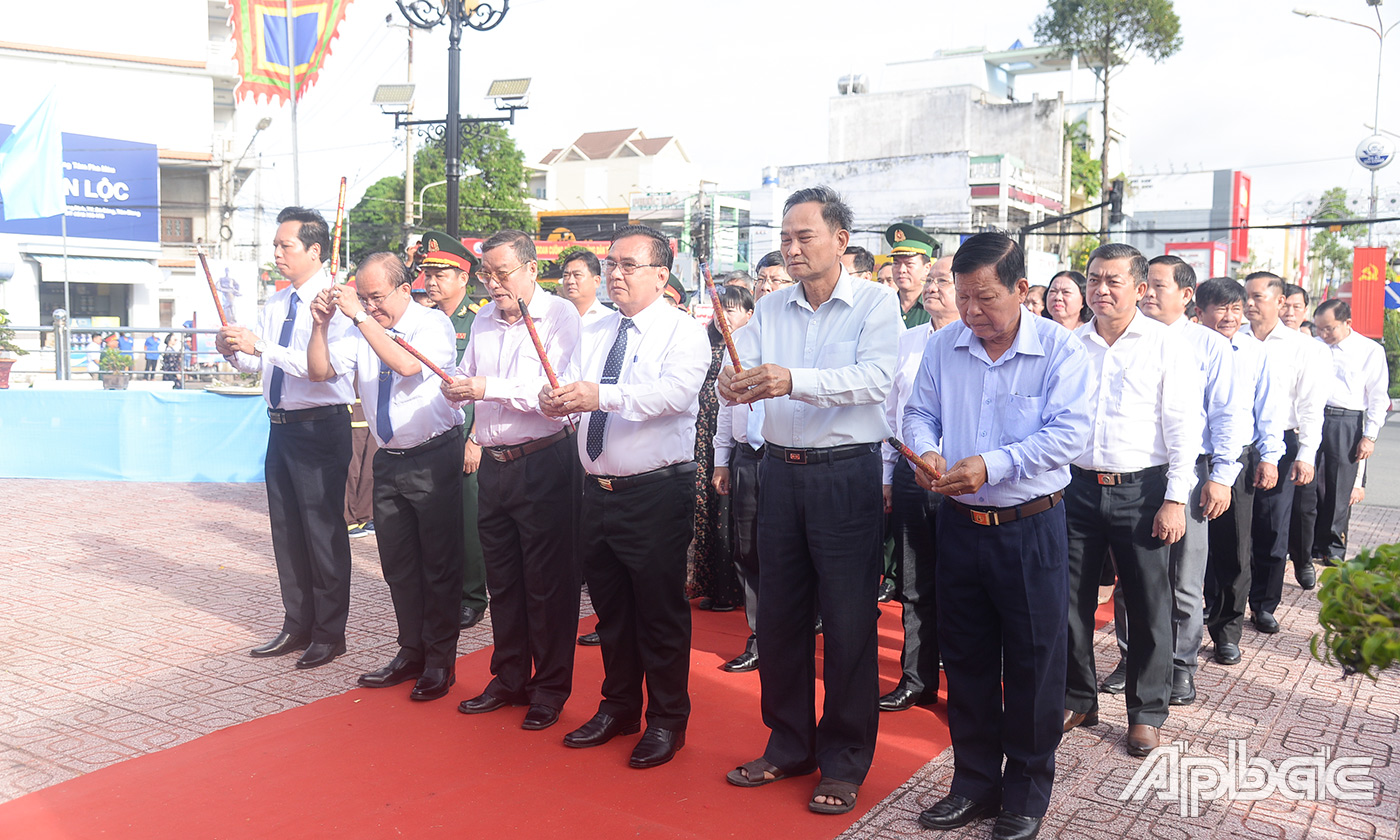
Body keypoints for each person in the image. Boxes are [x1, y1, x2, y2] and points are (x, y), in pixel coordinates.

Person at [720, 186, 900, 815]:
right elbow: (748, 374)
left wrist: (795, 380)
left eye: (805, 237)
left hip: (845, 474)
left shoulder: (876, 305)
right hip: (779, 472)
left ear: (840, 240)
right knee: (780, 615)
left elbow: (878, 379)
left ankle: (846, 757)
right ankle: (789, 741)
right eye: (786, 238)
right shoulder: (770, 307)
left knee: (850, 621)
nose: (791, 249)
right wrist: (733, 382)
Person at [905, 233, 1091, 840]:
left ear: (1021, 290)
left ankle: (1026, 793)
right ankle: (974, 783)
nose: (972, 313)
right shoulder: (942, 346)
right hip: (960, 526)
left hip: (1030, 525)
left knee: (1036, 664)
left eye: (985, 298)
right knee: (967, 659)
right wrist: (927, 452)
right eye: (962, 299)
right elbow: (920, 412)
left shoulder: (1062, 352)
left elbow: (1068, 436)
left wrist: (993, 464)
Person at [541, 223, 710, 768]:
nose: (615, 274)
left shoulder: (681, 331)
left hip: (655, 492)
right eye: (611, 263)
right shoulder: (596, 331)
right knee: (610, 611)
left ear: (662, 275)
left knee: (658, 613)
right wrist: (560, 398)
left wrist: (600, 395)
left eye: (628, 265)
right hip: (597, 489)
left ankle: (666, 720)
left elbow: (675, 394)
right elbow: (577, 386)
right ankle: (617, 706)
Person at [1063, 243, 1201, 759]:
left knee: (1147, 605)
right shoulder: (1071, 344)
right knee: (1070, 602)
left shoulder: (1165, 345)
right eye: (1094, 279)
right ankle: (1078, 698)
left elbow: (1185, 426)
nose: (1100, 289)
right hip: (1075, 488)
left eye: (1113, 280)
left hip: (1142, 491)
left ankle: (1146, 713)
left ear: (1140, 289)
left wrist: (1174, 499)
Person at [307, 253, 465, 700]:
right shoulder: (360, 326)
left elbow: (407, 365)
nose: (371, 304)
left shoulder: (428, 324)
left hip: (433, 455)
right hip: (389, 459)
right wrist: (321, 324)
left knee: (439, 564)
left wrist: (359, 315)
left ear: (403, 287)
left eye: (377, 296)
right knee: (398, 565)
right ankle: (409, 651)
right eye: (365, 296)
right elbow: (321, 372)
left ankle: (440, 661)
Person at [448, 229, 582, 732]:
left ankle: (550, 687)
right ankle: (508, 678)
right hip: (496, 463)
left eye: (502, 273)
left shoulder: (560, 315)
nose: (492, 284)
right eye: (486, 274)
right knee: (503, 580)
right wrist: (458, 389)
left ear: (530, 268)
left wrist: (488, 387)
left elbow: (553, 390)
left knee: (549, 585)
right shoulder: (483, 317)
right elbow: (467, 374)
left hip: (545, 460)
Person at [217, 206, 355, 670]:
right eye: (275, 245)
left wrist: (264, 347)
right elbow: (264, 364)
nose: (277, 253)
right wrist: (237, 352)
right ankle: (297, 623)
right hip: (279, 428)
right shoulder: (277, 303)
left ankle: (329, 632)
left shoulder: (335, 302)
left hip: (320, 425)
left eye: (285, 246)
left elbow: (321, 371)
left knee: (322, 532)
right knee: (287, 532)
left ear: (315, 251)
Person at [1124, 255, 1246, 707]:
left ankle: (1180, 666)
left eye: (1157, 285)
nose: (1148, 293)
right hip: (1135, 473)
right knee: (1131, 575)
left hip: (1189, 473)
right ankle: (1129, 658)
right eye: (1144, 285)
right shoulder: (1128, 337)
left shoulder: (1208, 346)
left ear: (1187, 295)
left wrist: (1221, 476)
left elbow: (1228, 415)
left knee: (1183, 579)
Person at [879, 254, 957, 714]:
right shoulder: (907, 341)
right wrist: (890, 474)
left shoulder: (974, 339)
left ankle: (965, 682)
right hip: (913, 474)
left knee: (963, 584)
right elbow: (892, 412)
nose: (932, 287)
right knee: (914, 582)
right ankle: (917, 678)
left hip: (964, 480)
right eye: (931, 280)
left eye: (943, 281)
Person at [1195, 278, 1286, 666]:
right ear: (1198, 311)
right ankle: (1192, 619)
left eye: (1236, 308)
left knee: (1234, 547)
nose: (1230, 316)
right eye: (1221, 308)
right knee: (1190, 551)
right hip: (1192, 459)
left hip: (1237, 460)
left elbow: (1269, 407)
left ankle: (1226, 631)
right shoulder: (1184, 347)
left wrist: (1269, 456)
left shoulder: (1255, 352)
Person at [1242, 272, 1328, 632]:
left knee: (1272, 527)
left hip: (1282, 442)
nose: (1248, 303)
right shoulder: (1230, 340)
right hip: (1238, 443)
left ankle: (1264, 603)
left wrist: (1306, 452)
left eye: (1257, 297)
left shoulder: (1303, 347)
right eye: (1245, 296)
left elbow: (1311, 404)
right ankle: (1225, 603)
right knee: (1232, 529)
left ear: (1280, 302)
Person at [419, 231, 490, 630]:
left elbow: (485, 383)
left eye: (441, 273)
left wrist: (476, 439)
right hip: (429, 435)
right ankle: (442, 591)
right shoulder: (421, 321)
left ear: (464, 277)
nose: (431, 281)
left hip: (464, 437)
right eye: (428, 273)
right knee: (434, 521)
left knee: (467, 521)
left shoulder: (478, 320)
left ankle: (472, 596)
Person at [1310, 299, 1388, 566]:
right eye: (1319, 329)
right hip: (1313, 416)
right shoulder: (1314, 347)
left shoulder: (1369, 351)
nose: (1323, 335)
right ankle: (1308, 543)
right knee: (1309, 483)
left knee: (1339, 486)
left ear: (1347, 324)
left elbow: (1378, 397)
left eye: (1329, 329)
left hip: (1346, 421)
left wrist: (1370, 435)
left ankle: (1332, 547)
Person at [711, 285, 763, 671]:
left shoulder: (794, 338)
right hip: (747, 456)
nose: (768, 288)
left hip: (787, 457)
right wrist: (722, 459)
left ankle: (794, 629)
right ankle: (760, 635)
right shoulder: (738, 342)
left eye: (776, 281)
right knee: (748, 550)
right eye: (762, 282)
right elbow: (727, 407)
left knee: (789, 550)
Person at [692, 286, 751, 613]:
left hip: (732, 442)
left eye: (730, 309)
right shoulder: (703, 342)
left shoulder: (747, 346)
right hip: (704, 441)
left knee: (730, 517)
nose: (722, 315)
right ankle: (709, 584)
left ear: (748, 314)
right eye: (719, 309)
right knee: (705, 514)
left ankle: (733, 590)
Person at [885, 223, 936, 329]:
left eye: (909, 264)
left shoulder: (935, 307)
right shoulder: (883, 306)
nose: (901, 270)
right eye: (896, 263)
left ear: (927, 268)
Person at [558, 249, 611, 326]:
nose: (570, 281)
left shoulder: (609, 319)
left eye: (577, 275)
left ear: (596, 281)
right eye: (566, 276)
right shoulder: (554, 319)